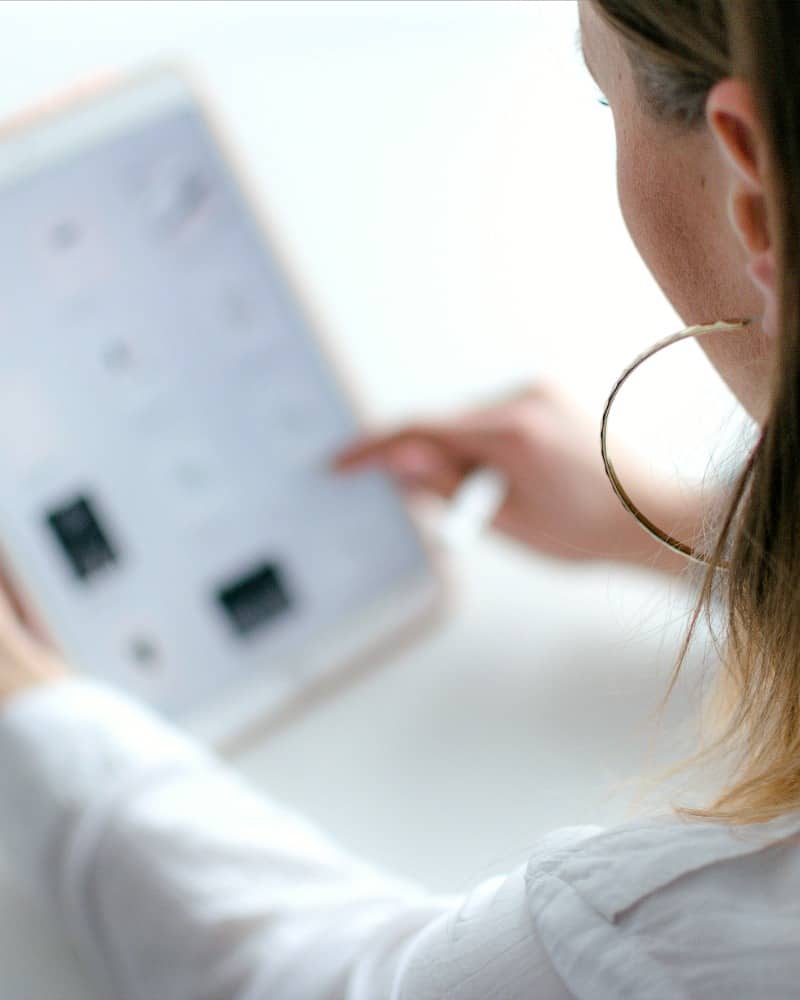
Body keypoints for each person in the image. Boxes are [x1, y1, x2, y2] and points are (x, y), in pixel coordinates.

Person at [0, 0, 798, 995]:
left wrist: (26, 699)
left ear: (751, 186)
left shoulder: (691, 942)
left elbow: (330, 978)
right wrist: (687, 530)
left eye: (606, 96)